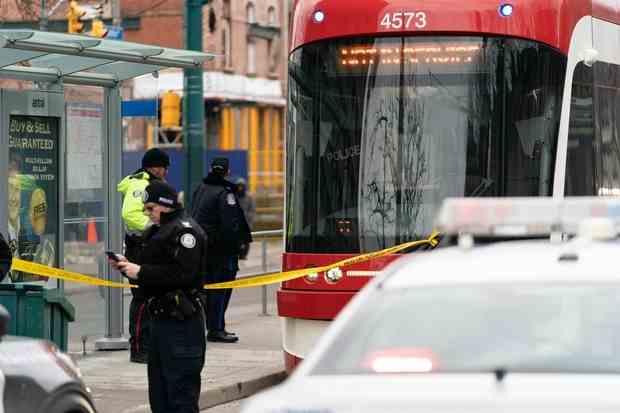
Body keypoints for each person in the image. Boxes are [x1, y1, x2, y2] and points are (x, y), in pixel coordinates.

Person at [110, 181, 207, 413]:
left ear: (166, 205)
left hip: (181, 322)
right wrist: (128, 264)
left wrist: (141, 272)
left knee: (180, 395)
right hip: (160, 321)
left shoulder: (185, 231)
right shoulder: (160, 230)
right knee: (160, 395)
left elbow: (183, 273)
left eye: (151, 208)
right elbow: (153, 267)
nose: (147, 213)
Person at [117, 147, 170, 363]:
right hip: (140, 250)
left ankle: (149, 346)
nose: (165, 171)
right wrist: (156, 229)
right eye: (163, 167)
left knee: (151, 299)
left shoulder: (152, 184)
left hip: (149, 249)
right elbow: (129, 214)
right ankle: (139, 348)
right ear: (153, 167)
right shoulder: (140, 184)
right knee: (142, 300)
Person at [190, 157, 252, 343]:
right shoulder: (225, 193)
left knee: (207, 289)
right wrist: (239, 247)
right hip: (222, 251)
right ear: (227, 172)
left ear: (211, 169)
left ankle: (209, 326)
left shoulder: (200, 188)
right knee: (221, 289)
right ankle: (217, 329)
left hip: (202, 248)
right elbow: (230, 225)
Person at [235, 178, 255, 260]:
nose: (240, 188)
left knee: (246, 240)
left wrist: (249, 220)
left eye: (241, 186)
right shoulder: (234, 196)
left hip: (246, 223)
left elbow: (252, 210)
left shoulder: (249, 197)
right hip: (235, 223)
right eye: (238, 186)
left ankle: (244, 254)